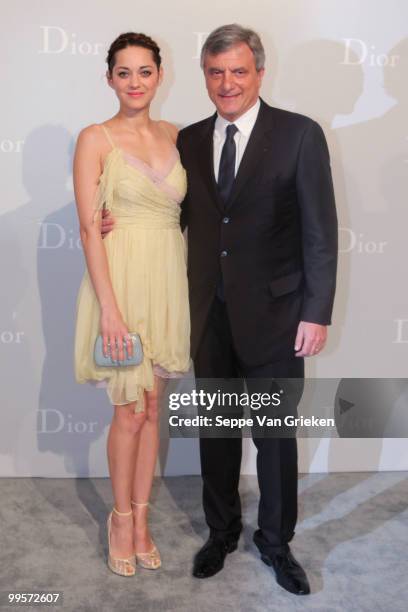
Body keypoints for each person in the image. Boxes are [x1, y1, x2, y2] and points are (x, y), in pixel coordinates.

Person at [103, 24, 338, 595]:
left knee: (275, 434)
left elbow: (320, 232)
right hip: (206, 313)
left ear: (259, 72)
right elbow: (168, 218)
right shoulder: (186, 141)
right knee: (217, 431)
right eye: (216, 72)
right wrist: (116, 224)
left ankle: (276, 543)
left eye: (238, 71)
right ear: (204, 76)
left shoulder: (300, 135)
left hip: (280, 318)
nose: (227, 83)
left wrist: (317, 311)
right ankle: (221, 531)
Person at [73, 32, 190, 577]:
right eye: (124, 72)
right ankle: (120, 520)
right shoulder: (95, 138)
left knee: (153, 410)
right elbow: (88, 230)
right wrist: (111, 311)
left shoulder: (176, 135)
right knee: (128, 410)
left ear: (159, 76)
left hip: (166, 281)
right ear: (110, 78)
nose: (135, 82)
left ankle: (143, 520)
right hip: (119, 284)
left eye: (145, 71)